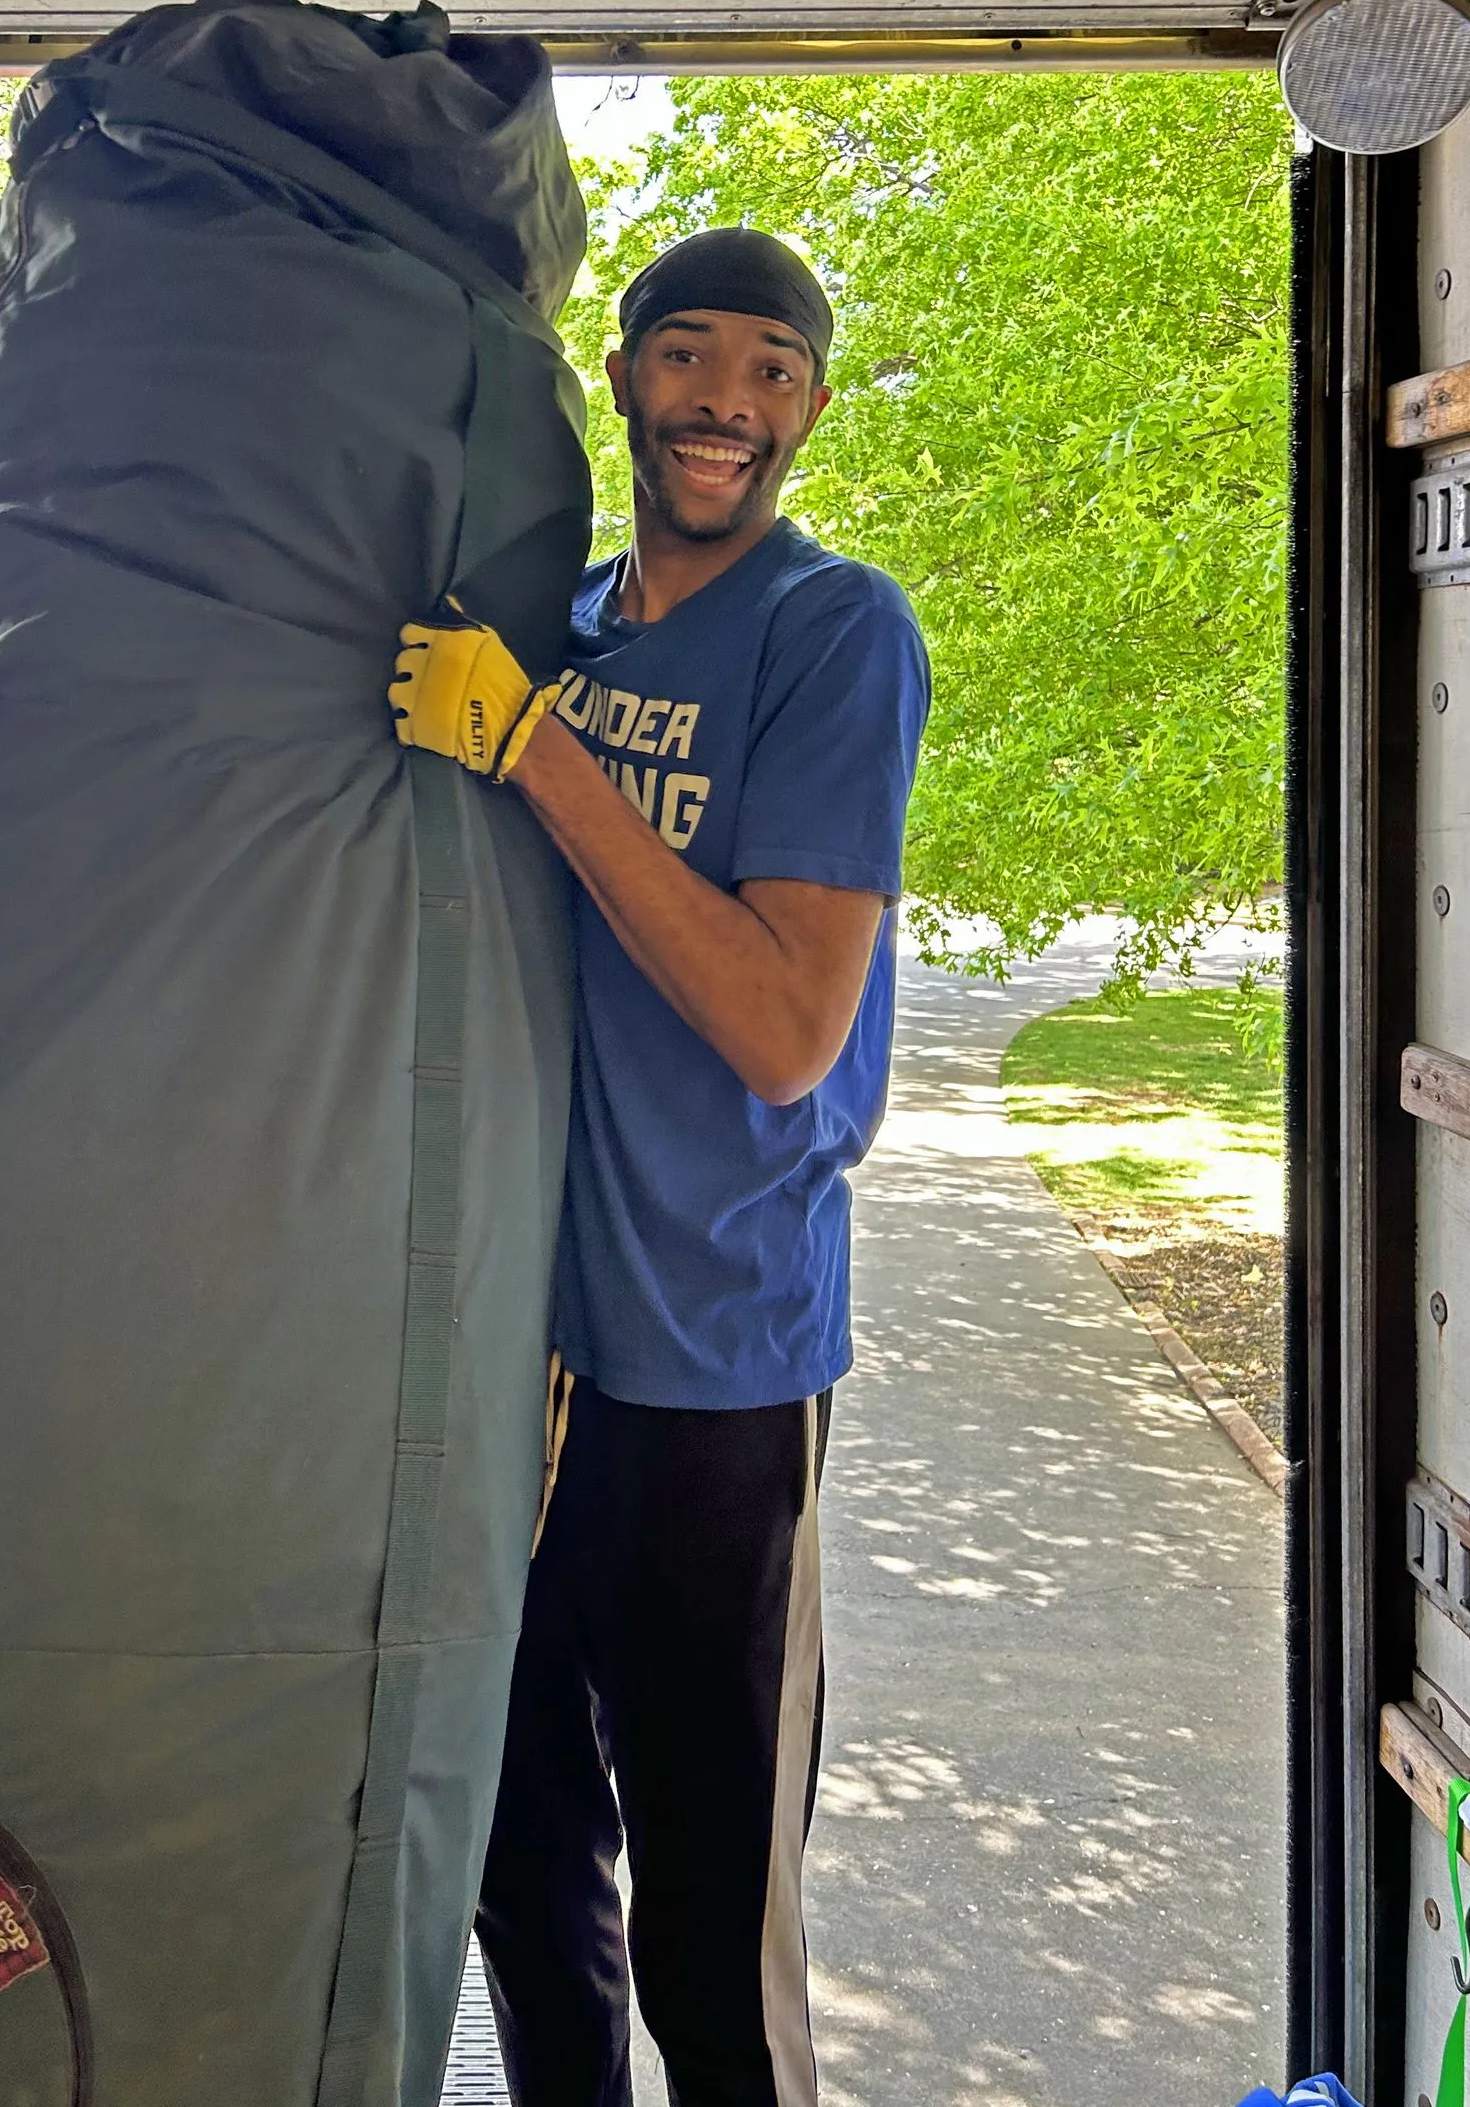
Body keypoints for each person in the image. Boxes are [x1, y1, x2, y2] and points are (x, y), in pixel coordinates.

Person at [389, 226, 931, 2106]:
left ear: (812, 409)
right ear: (622, 377)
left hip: (711, 1357)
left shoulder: (829, 630)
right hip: (505, 1359)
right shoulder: (577, 622)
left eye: (774, 371)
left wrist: (543, 752)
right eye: (693, 357)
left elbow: (787, 1026)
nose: (730, 405)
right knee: (522, 1870)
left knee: (711, 1920)